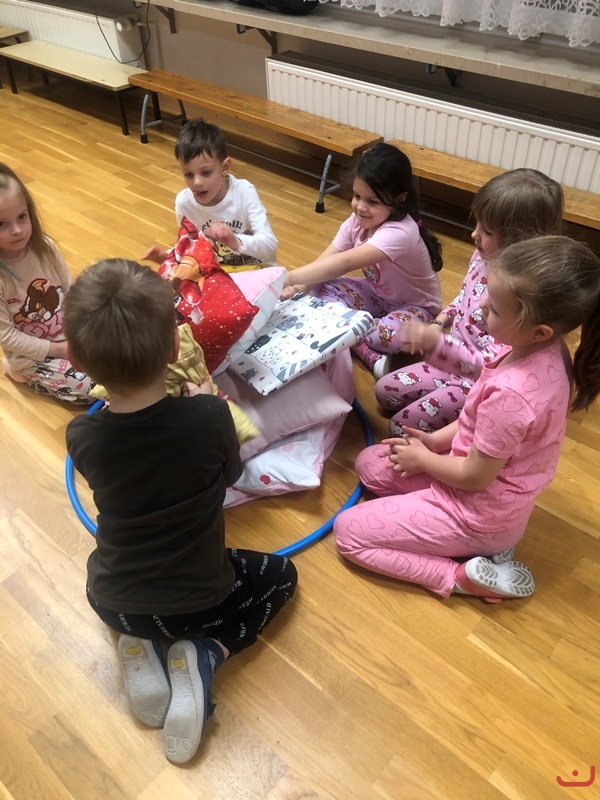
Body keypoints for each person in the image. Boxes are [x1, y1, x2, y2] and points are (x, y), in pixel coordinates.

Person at [63, 259, 297, 765]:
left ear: (76, 360)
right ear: (175, 349)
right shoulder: (210, 417)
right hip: (204, 603)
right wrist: (206, 401)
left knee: (109, 571)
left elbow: (132, 469)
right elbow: (230, 476)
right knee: (281, 576)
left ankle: (136, 637)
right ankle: (208, 652)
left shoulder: (81, 436)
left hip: (111, 598)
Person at [334, 236, 600, 602]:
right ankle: (484, 543)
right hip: (481, 491)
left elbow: (475, 477)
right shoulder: (539, 348)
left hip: (474, 511)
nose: (482, 305)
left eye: (496, 309)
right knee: (370, 464)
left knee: (349, 532)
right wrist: (434, 442)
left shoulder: (514, 394)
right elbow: (475, 418)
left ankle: (460, 575)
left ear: (539, 330)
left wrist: (424, 460)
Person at [376, 168, 564, 434]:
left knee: (398, 428)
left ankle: (467, 426)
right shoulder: (482, 256)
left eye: (487, 231)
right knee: (385, 391)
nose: (474, 234)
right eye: (477, 223)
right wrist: (439, 323)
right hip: (450, 359)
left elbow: (489, 365)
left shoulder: (519, 298)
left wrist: (436, 345)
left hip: (476, 381)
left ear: (519, 241)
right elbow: (464, 297)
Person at [282, 142, 443, 379]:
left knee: (386, 335)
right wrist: (298, 289)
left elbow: (346, 262)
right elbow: (330, 257)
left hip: (417, 308)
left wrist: (288, 277)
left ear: (400, 199)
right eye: (357, 196)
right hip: (378, 296)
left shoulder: (401, 232)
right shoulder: (357, 221)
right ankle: (364, 344)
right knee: (318, 289)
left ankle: (363, 346)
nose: (360, 207)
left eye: (372, 201)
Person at [0, 163, 93, 402]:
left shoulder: (46, 248)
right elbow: (7, 336)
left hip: (67, 334)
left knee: (120, 357)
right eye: (1, 224)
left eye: (22, 217)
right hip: (31, 355)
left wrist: (80, 333)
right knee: (89, 389)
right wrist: (60, 350)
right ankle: (17, 371)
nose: (17, 230)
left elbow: (70, 292)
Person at [144, 118, 278, 270]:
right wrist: (168, 256)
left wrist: (235, 241)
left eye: (206, 172)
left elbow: (269, 244)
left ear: (224, 168)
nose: (197, 183)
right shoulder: (184, 203)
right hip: (218, 274)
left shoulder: (244, 192)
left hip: (259, 268)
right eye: (188, 174)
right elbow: (191, 247)